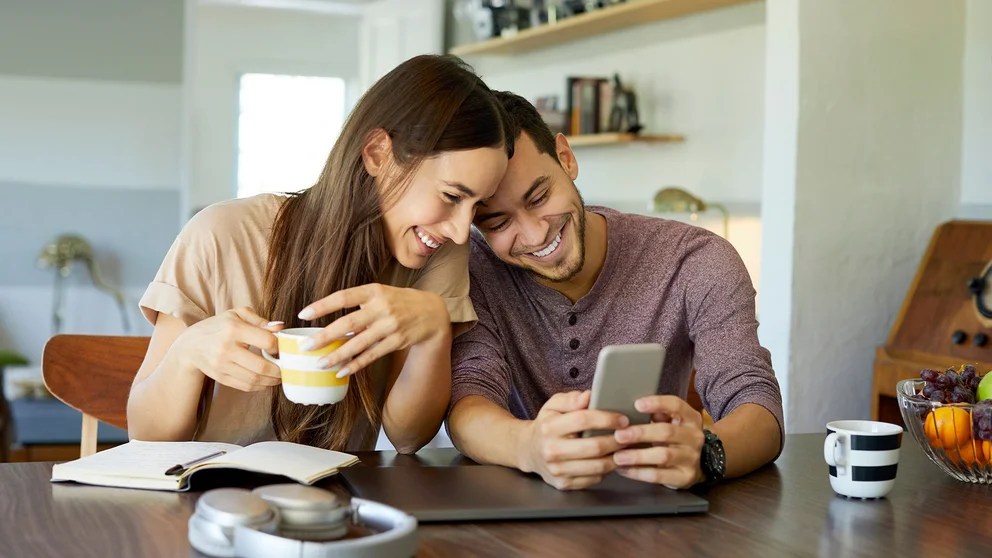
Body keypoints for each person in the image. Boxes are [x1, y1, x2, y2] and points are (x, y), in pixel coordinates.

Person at [128, 55, 512, 454]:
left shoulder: (437, 251)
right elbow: (144, 434)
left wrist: (432, 332)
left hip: (338, 500)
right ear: (378, 153)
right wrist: (187, 355)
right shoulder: (221, 235)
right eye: (451, 196)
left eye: (477, 207)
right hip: (212, 499)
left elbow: (408, 437)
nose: (458, 229)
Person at [447, 91, 783, 490]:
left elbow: (757, 404)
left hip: (654, 516)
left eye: (539, 197)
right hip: (514, 518)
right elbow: (467, 402)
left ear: (566, 158)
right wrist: (529, 446)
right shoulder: (473, 273)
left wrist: (706, 453)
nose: (536, 234)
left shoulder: (695, 260)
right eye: (499, 223)